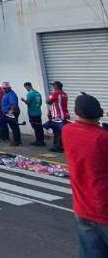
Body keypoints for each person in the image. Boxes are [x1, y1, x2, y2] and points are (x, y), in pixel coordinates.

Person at [62, 94, 108, 257]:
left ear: (76, 112)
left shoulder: (67, 131)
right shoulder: (102, 138)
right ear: (99, 113)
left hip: (82, 207)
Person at [46, 81, 70, 153]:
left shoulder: (55, 93)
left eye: (53, 86)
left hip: (57, 116)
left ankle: (58, 147)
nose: (53, 87)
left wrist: (49, 97)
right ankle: (60, 146)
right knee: (61, 132)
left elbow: (48, 101)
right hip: (64, 115)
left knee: (57, 132)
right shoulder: (64, 94)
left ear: (56, 86)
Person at [21, 82, 45, 146]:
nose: (26, 89)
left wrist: (23, 100)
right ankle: (41, 141)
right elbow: (40, 103)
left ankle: (38, 141)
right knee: (39, 127)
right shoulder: (38, 93)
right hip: (38, 112)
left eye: (26, 87)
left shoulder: (30, 94)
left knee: (36, 128)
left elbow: (28, 103)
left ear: (27, 86)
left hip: (32, 113)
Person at [0, 81, 21, 146]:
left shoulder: (11, 94)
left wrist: (11, 111)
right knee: (3, 123)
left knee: (13, 126)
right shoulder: (6, 93)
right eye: (3, 88)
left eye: (5, 88)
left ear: (9, 88)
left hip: (11, 112)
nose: (4, 89)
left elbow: (14, 104)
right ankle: (6, 137)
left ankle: (16, 141)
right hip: (6, 112)